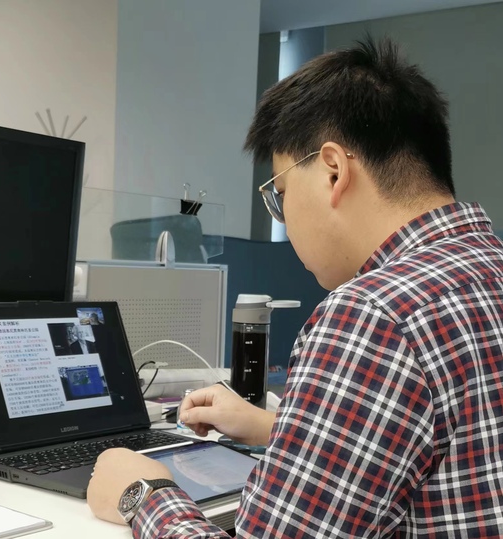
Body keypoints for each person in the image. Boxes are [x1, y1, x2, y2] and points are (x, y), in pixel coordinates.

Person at [86, 36, 503, 538]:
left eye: (280, 192)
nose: (284, 217)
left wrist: (144, 495)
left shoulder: (374, 314)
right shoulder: (485, 269)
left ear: (334, 170)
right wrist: (281, 429)